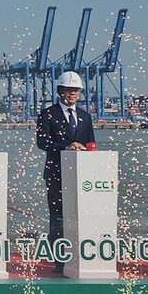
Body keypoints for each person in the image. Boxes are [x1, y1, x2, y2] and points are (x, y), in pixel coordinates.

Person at [35, 71, 95, 274]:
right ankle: (59, 261)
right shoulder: (47, 114)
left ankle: (81, 255)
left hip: (82, 177)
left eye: (76, 90)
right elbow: (42, 142)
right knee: (58, 217)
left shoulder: (85, 117)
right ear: (60, 91)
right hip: (57, 174)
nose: (72, 93)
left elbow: (91, 144)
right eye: (69, 90)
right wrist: (66, 147)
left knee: (82, 217)